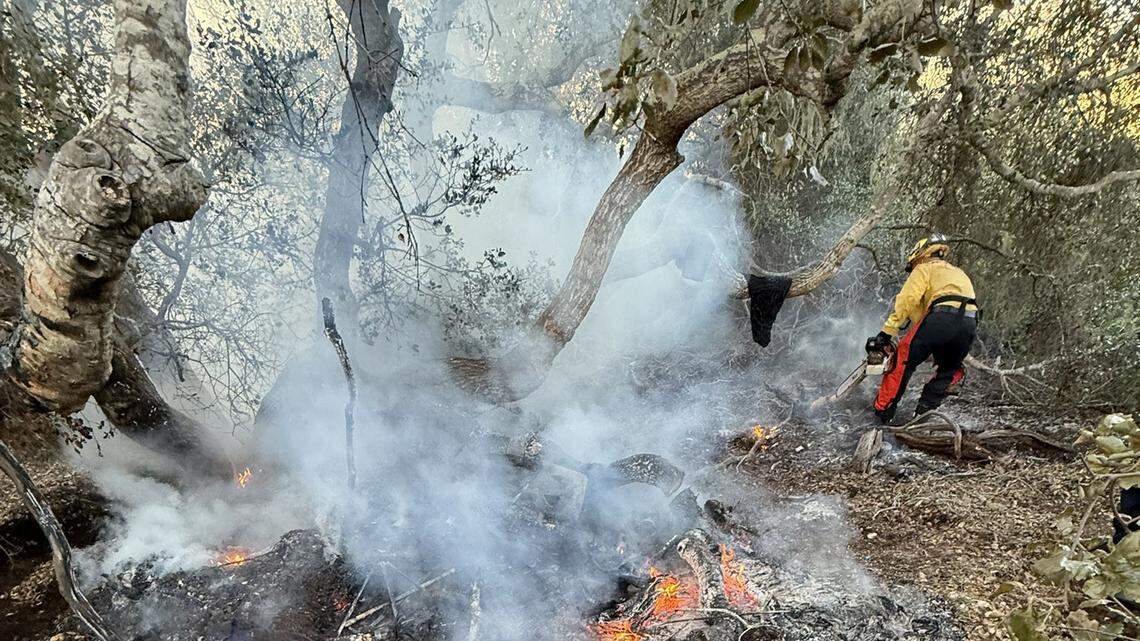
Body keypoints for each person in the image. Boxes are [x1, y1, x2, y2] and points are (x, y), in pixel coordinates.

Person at [866, 234, 980, 424]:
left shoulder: (924, 268)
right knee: (948, 370)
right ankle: (922, 417)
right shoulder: (957, 272)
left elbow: (908, 299)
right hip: (969, 323)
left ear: (919, 255)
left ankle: (882, 413)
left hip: (941, 317)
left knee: (902, 360)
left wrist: (887, 332)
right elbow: (925, 314)